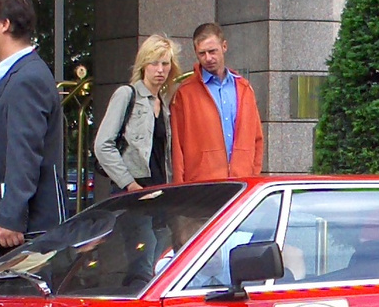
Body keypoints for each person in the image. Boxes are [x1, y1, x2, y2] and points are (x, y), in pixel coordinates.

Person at [0, 0, 66, 250]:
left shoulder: (27, 78)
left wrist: (12, 215)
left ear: (5, 25)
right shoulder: (22, 75)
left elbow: (24, 152)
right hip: (18, 223)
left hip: (22, 230)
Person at [168, 22, 264, 183]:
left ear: (224, 46)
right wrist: (180, 187)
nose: (208, 58)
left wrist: (253, 175)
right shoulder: (185, 93)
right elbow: (177, 148)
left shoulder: (244, 89)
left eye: (212, 51)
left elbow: (257, 139)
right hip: (202, 186)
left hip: (242, 182)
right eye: (202, 53)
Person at [93, 33, 179, 193]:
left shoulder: (165, 104)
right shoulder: (126, 94)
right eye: (154, 63)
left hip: (160, 188)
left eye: (165, 64)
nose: (160, 70)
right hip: (133, 189)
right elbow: (102, 145)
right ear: (144, 65)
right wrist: (129, 184)